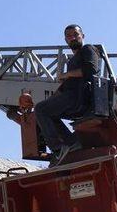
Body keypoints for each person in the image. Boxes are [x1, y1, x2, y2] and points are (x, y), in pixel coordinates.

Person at [32, 24, 99, 166]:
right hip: (72, 96)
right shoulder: (72, 61)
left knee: (41, 109)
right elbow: (67, 85)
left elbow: (91, 70)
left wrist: (67, 74)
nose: (73, 38)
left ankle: (57, 149)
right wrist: (52, 98)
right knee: (46, 112)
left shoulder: (88, 49)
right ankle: (72, 143)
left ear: (83, 36)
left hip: (80, 96)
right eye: (69, 36)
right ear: (65, 40)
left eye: (75, 34)